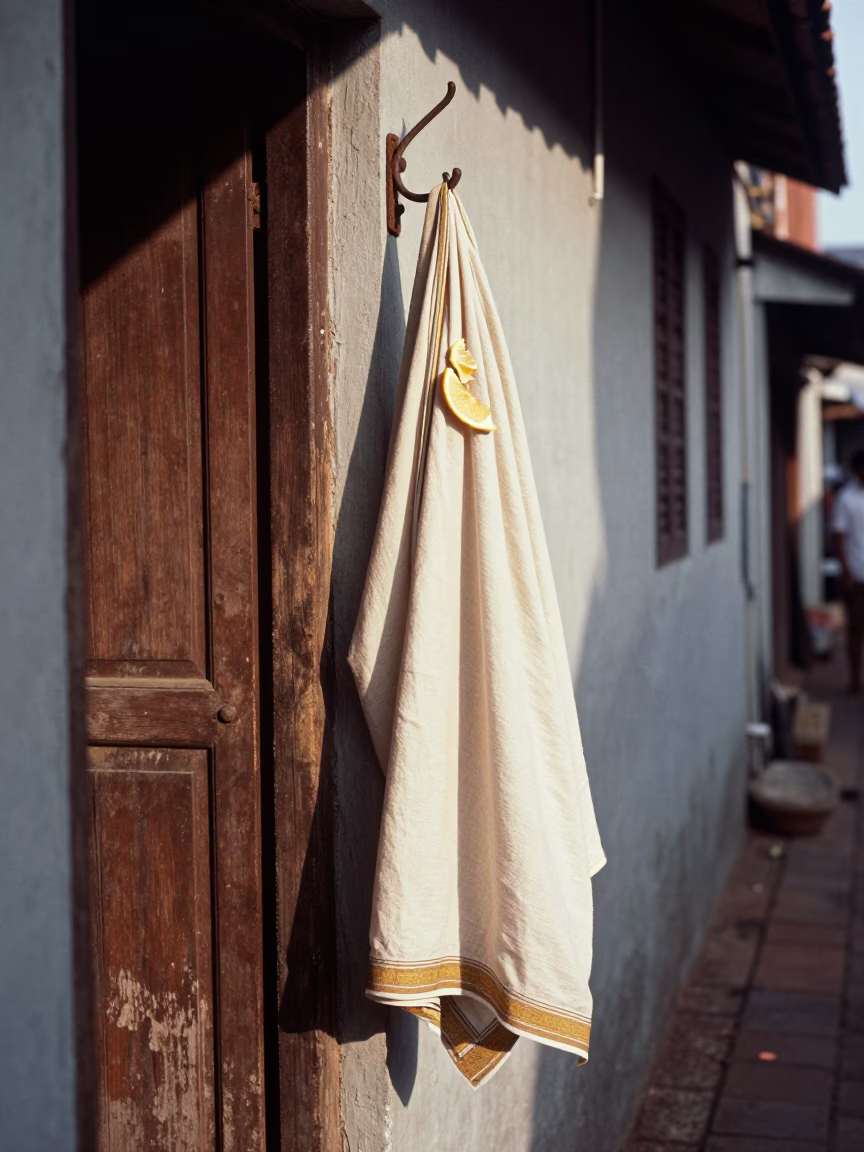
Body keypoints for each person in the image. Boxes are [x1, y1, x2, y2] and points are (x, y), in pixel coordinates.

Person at [832, 449, 864, 693]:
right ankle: (855, 678)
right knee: (855, 629)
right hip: (856, 574)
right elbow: (839, 537)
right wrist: (846, 571)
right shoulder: (846, 499)